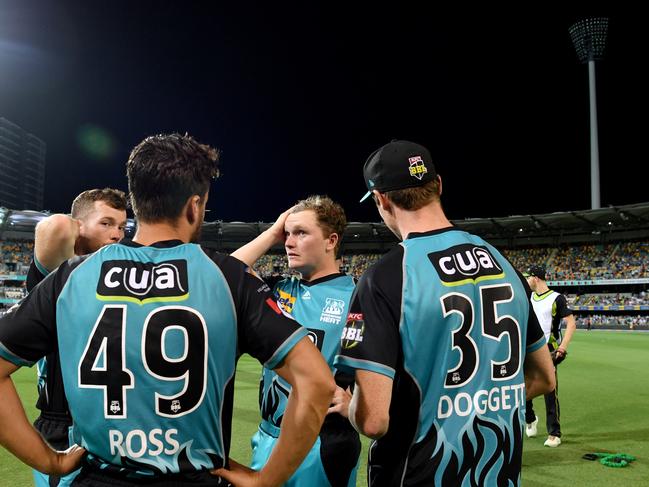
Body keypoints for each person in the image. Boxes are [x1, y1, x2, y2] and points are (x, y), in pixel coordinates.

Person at [0, 133, 335, 487]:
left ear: (137, 199)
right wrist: (268, 478)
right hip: (194, 478)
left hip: (99, 476)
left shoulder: (72, 276)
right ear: (195, 205)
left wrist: (47, 460)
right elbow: (317, 381)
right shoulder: (228, 277)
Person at [334, 140, 556, 486]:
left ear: (381, 200)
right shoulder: (502, 262)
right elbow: (544, 378)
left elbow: (374, 421)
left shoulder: (386, 276)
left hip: (418, 473)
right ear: (438, 185)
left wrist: (349, 404)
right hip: (500, 473)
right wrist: (477, 405)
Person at [231, 195, 360, 487]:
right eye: (287, 234)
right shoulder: (277, 289)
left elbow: (384, 364)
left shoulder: (357, 298)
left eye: (301, 233)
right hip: (266, 436)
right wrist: (271, 233)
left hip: (320, 444)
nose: (288, 242)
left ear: (331, 241)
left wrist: (357, 402)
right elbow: (227, 271)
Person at [28, 188, 128, 487]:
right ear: (79, 225)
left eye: (123, 227)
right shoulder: (57, 276)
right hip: (63, 426)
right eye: (106, 223)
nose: (117, 234)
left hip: (110, 425)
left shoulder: (117, 278)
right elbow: (56, 226)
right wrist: (80, 226)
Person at [523, 264, 576, 448]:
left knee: (549, 389)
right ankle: (530, 419)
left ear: (535, 278)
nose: (526, 281)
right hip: (528, 347)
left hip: (549, 349)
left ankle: (554, 433)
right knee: (524, 386)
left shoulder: (557, 298)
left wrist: (562, 347)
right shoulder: (528, 298)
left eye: (528, 277)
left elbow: (571, 324)